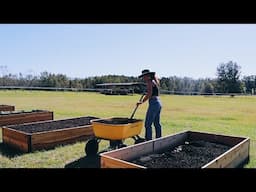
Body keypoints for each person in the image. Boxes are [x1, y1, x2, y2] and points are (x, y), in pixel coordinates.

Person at [137, 69, 162, 141]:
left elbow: (149, 94)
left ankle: (148, 141)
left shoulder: (149, 82)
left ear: (148, 76)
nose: (143, 78)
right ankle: (159, 139)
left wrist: (141, 102)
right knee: (157, 123)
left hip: (154, 103)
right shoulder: (155, 81)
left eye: (144, 76)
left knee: (147, 124)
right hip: (158, 102)